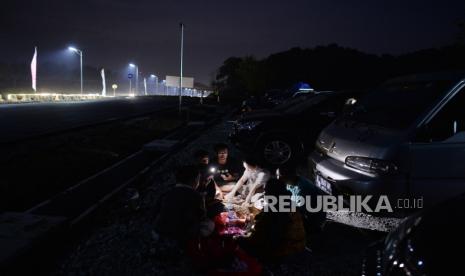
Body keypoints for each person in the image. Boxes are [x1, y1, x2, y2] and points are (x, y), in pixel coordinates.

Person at [237, 179, 306, 261]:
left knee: (240, 243)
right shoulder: (286, 203)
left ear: (273, 193)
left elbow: (264, 236)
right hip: (298, 244)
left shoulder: (276, 211)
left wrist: (243, 238)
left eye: (266, 192)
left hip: (288, 248)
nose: (265, 194)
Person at [154, 165, 214, 245]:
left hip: (159, 231)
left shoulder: (167, 191)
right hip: (180, 234)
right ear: (195, 180)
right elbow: (201, 216)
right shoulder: (196, 196)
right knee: (210, 224)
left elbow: (156, 211)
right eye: (198, 179)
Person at [276, 163, 326, 234]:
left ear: (290, 175)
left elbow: (298, 211)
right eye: (278, 176)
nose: (278, 179)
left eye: (281, 177)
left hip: (313, 219)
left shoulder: (303, 189)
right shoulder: (290, 182)